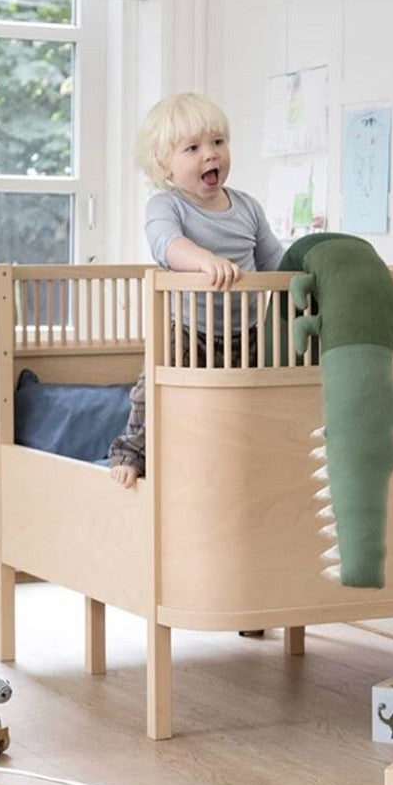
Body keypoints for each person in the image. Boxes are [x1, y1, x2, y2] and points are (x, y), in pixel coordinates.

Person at [108, 92, 285, 488]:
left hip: (248, 332)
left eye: (217, 142)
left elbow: (275, 259)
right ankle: (131, 454)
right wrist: (203, 259)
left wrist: (305, 273)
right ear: (164, 165)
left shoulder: (247, 207)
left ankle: (243, 462)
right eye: (192, 148)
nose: (210, 154)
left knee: (250, 399)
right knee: (152, 394)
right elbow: (166, 244)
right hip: (189, 330)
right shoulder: (166, 206)